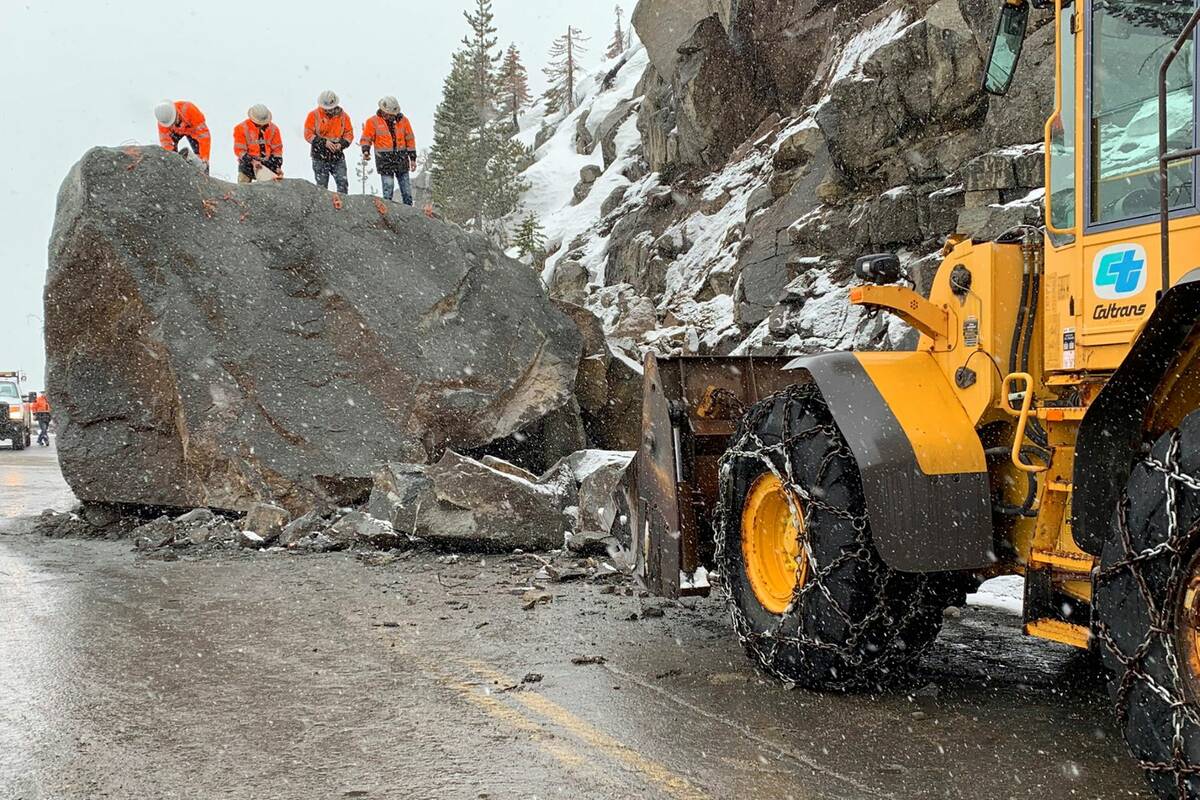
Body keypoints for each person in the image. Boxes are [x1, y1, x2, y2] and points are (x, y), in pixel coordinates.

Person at [360, 96, 417, 205]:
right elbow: (366, 138)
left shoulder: (404, 121)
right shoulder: (372, 122)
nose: (390, 116)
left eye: (392, 114)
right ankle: (387, 216)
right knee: (388, 192)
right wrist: (365, 151)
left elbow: (410, 140)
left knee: (407, 193)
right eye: (388, 114)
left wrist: (413, 159)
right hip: (384, 160)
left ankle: (409, 216)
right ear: (382, 110)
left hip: (401, 159)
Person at [305, 90, 353, 194]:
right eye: (326, 109)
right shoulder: (313, 115)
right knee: (321, 188)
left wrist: (341, 144)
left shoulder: (344, 117)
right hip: (319, 156)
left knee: (342, 183)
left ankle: (343, 207)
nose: (329, 111)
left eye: (331, 108)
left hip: (337, 155)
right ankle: (322, 209)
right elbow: (308, 134)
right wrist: (323, 142)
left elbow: (349, 134)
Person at [155, 100, 212, 171]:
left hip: (192, 131)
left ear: (176, 113)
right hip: (175, 133)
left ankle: (204, 178)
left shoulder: (189, 110)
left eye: (173, 121)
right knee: (172, 159)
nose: (172, 124)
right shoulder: (163, 122)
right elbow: (166, 143)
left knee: (202, 164)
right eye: (170, 124)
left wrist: (204, 158)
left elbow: (204, 136)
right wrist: (172, 160)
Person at [233, 105, 284, 183]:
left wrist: (277, 166)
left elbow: (277, 151)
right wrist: (252, 161)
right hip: (247, 164)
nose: (261, 125)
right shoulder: (241, 128)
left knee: (275, 186)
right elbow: (239, 151)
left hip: (268, 164)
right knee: (243, 188)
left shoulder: (274, 129)